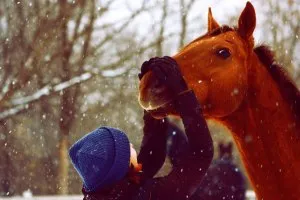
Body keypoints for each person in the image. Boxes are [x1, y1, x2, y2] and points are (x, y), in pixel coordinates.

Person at [69, 56, 214, 199]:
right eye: (126, 150)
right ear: (123, 168)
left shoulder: (108, 190)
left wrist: (150, 99)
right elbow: (201, 154)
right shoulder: (152, 195)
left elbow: (152, 157)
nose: (131, 146)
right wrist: (182, 92)